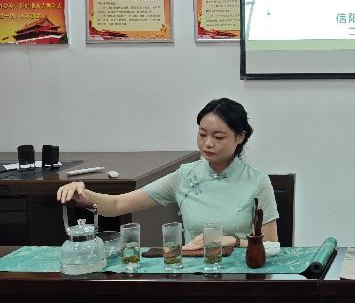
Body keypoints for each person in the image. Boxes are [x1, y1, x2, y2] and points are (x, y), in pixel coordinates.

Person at [57, 98, 278, 250]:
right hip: (195, 273)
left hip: (241, 276)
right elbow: (117, 205)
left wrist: (231, 241)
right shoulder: (185, 175)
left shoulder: (257, 182)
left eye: (218, 137)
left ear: (240, 137)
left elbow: (270, 246)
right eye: (202, 134)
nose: (208, 143)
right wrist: (84, 196)